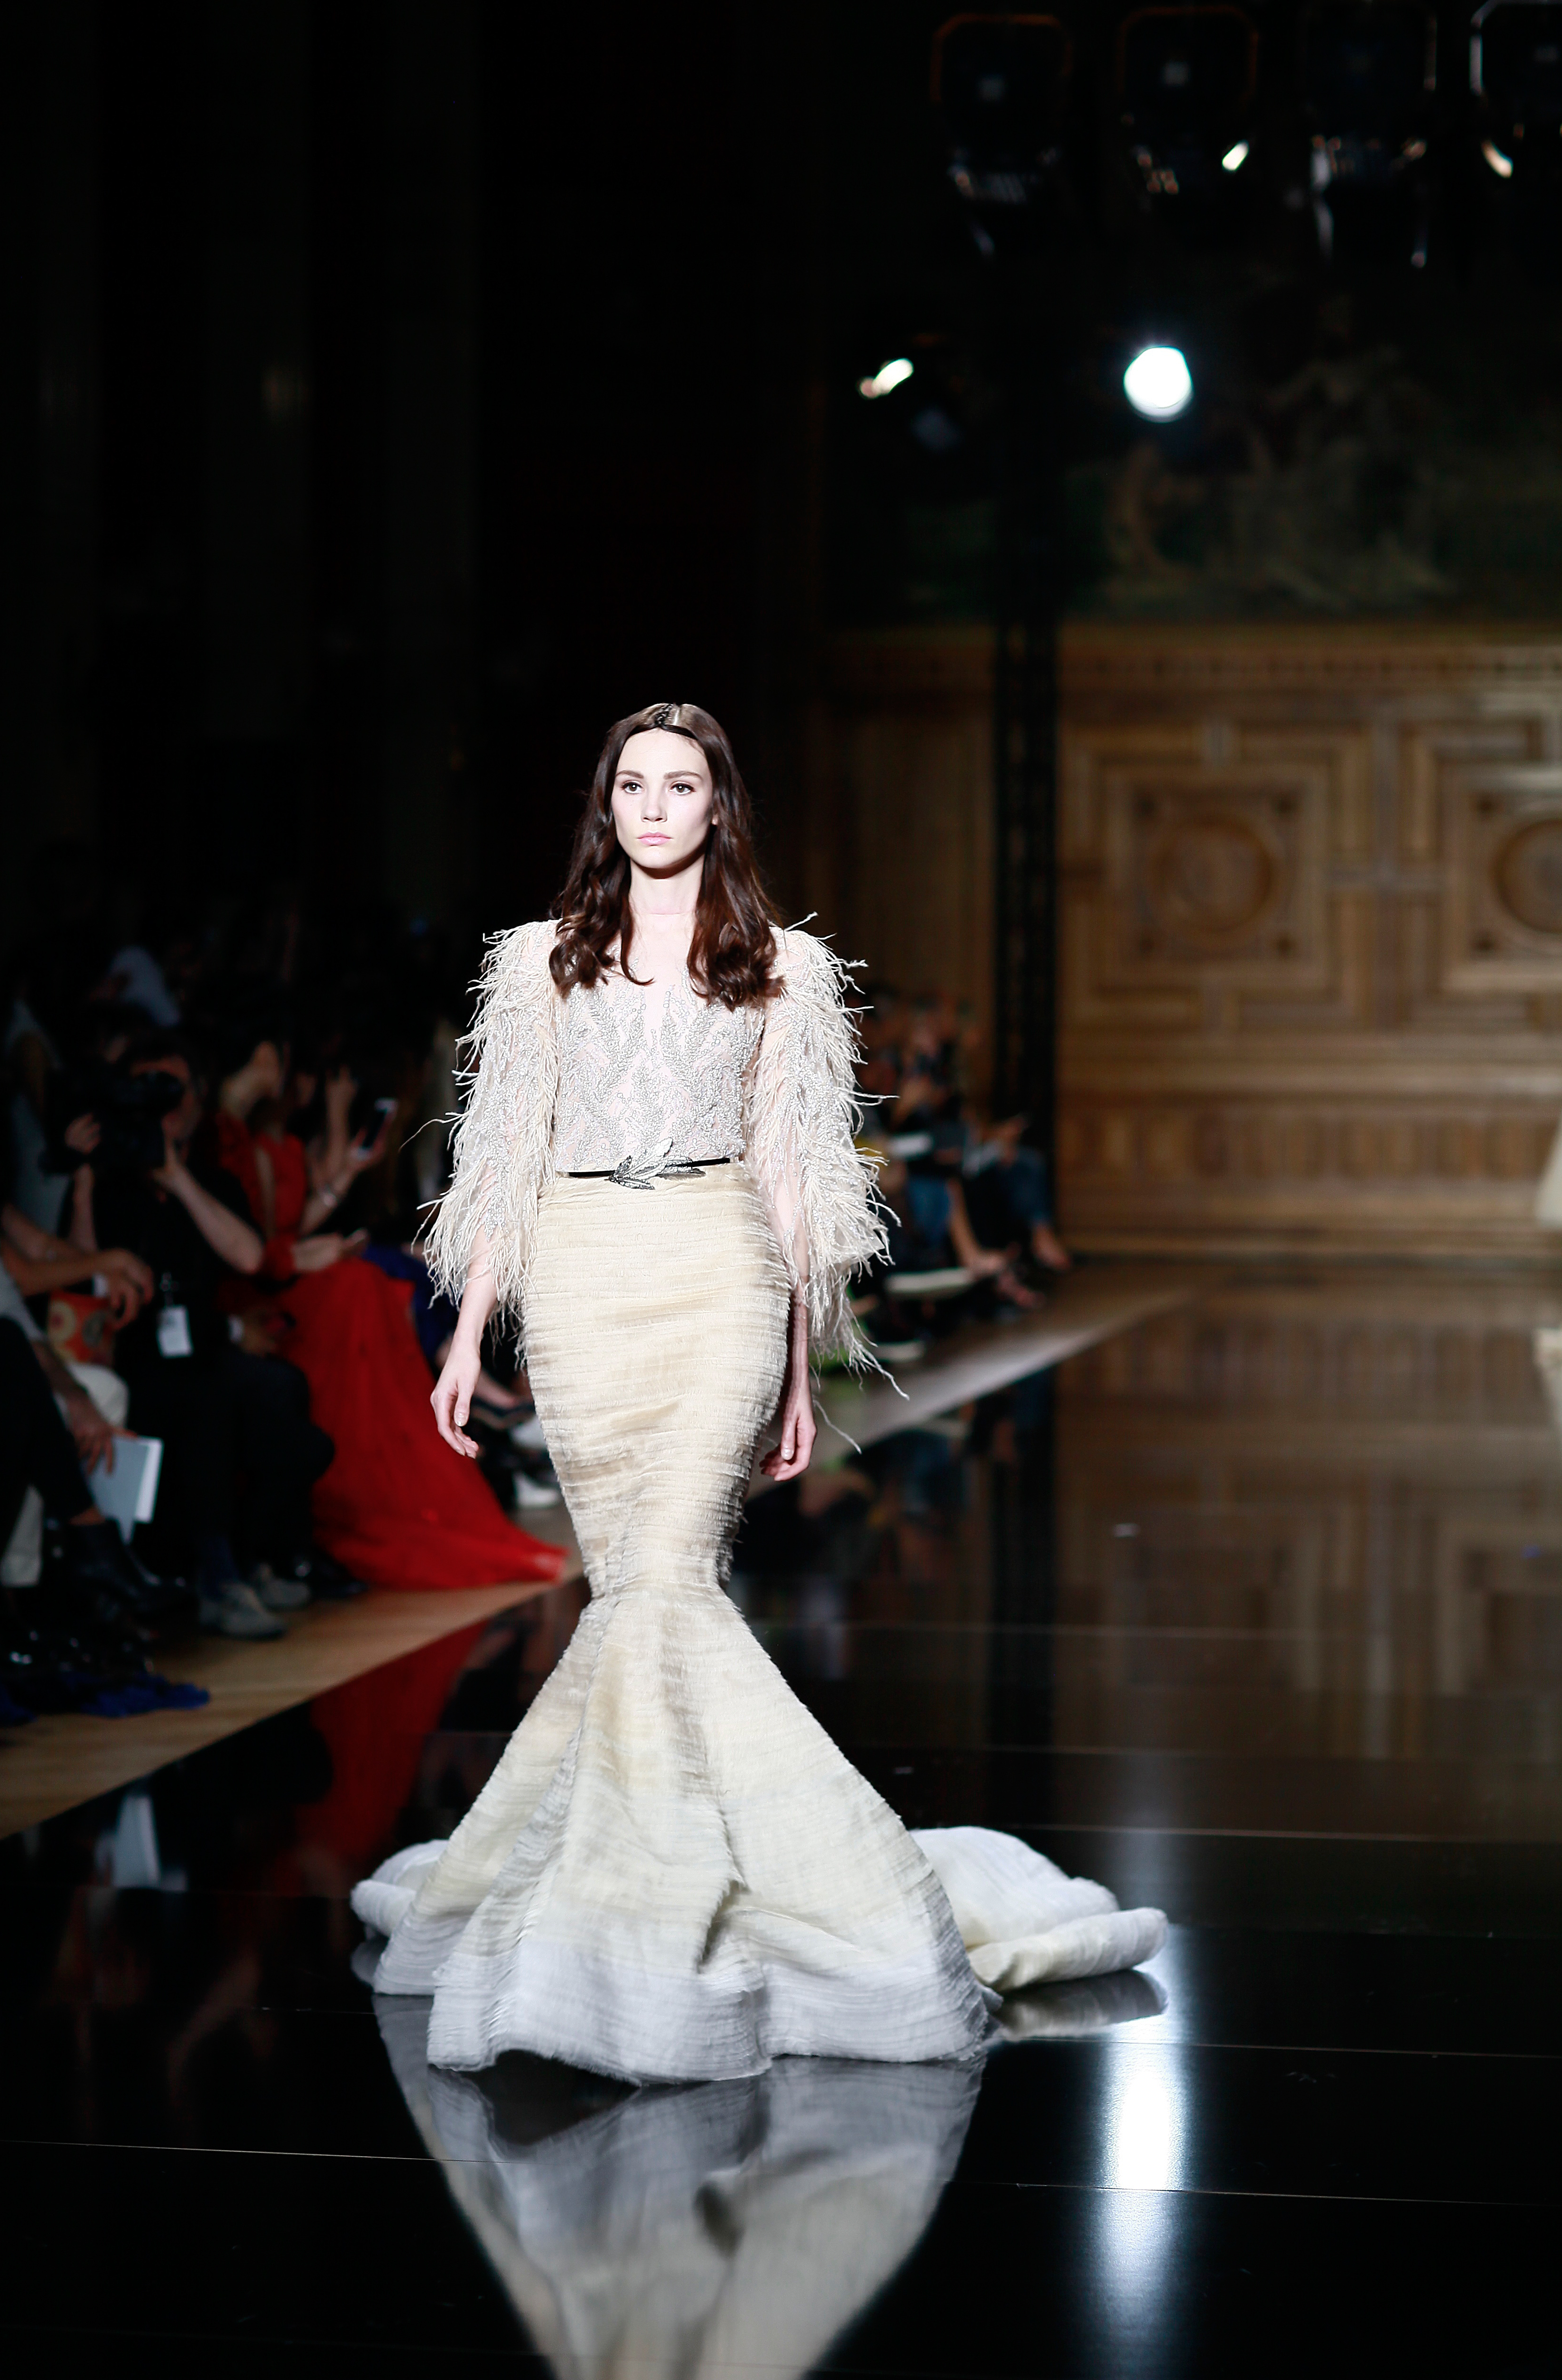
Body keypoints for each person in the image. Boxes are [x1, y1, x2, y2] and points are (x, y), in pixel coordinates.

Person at [350, 701, 1165, 2085]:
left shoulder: (781, 969)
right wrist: (468, 1331)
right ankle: (645, 1891)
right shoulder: (537, 964)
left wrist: (800, 1365)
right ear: (604, 802)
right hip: (582, 1276)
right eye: (630, 783)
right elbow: (500, 1152)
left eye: (679, 785)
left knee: (666, 1584)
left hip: (720, 1271)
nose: (651, 806)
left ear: (719, 805)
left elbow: (797, 1176)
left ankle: (651, 1926)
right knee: (634, 1595)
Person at [209, 1032, 564, 1596]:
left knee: (375, 1283)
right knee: (371, 1284)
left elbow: (290, 1226)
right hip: (273, 1285)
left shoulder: (277, 1143)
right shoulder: (245, 1142)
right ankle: (480, 1412)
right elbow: (269, 1246)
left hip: (302, 1266)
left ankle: (477, 1416)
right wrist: (309, 1248)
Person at [0, 1040, 179, 1625]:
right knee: (17, 1392)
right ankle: (68, 1567)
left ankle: (62, 1592)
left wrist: (74, 1395)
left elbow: (8, 1314)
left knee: (83, 1393)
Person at [84, 1033, 338, 1638]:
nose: (164, 1102)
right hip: (134, 1356)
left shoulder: (207, 1180)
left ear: (200, 1099)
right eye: (149, 1087)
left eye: (176, 1088)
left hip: (204, 1349)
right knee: (206, 1401)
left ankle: (257, 1558)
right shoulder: (108, 1180)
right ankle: (219, 1576)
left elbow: (249, 1255)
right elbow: (82, 1270)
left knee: (281, 1392)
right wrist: (84, 1176)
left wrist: (177, 1178)